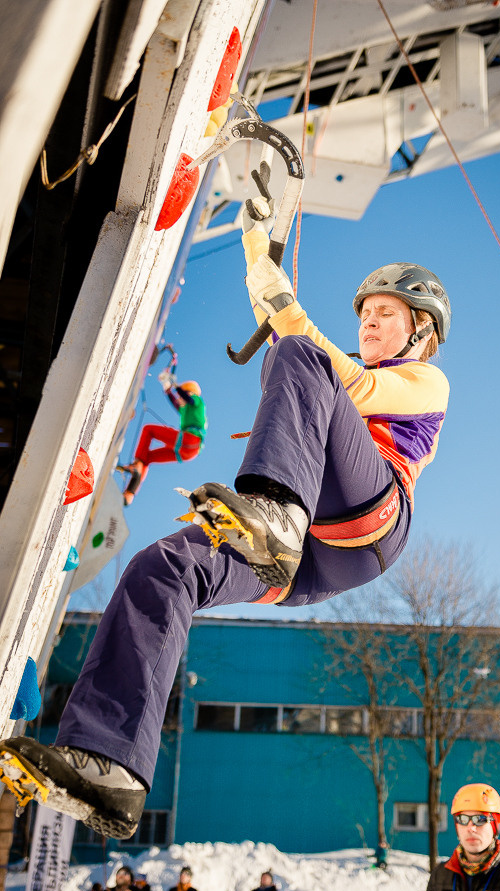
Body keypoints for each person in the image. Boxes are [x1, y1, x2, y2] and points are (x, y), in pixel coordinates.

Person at [0, 198, 451, 841]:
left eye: (386, 314)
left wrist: (280, 305)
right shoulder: (331, 370)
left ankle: (275, 513)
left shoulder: (426, 381)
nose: (370, 323)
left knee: (294, 358)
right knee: (162, 569)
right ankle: (109, 764)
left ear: (421, 331)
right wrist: (258, 263)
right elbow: (309, 349)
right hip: (303, 557)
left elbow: (337, 372)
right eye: (367, 314)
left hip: (366, 523)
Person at [119, 372, 207, 506]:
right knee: (147, 458)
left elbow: (187, 398)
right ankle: (130, 493)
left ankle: (136, 465)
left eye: (181, 395)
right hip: (188, 452)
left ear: (189, 392)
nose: (179, 398)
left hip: (191, 440)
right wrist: (168, 390)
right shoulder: (186, 409)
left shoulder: (196, 401)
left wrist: (176, 386)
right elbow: (176, 403)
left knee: (148, 430)